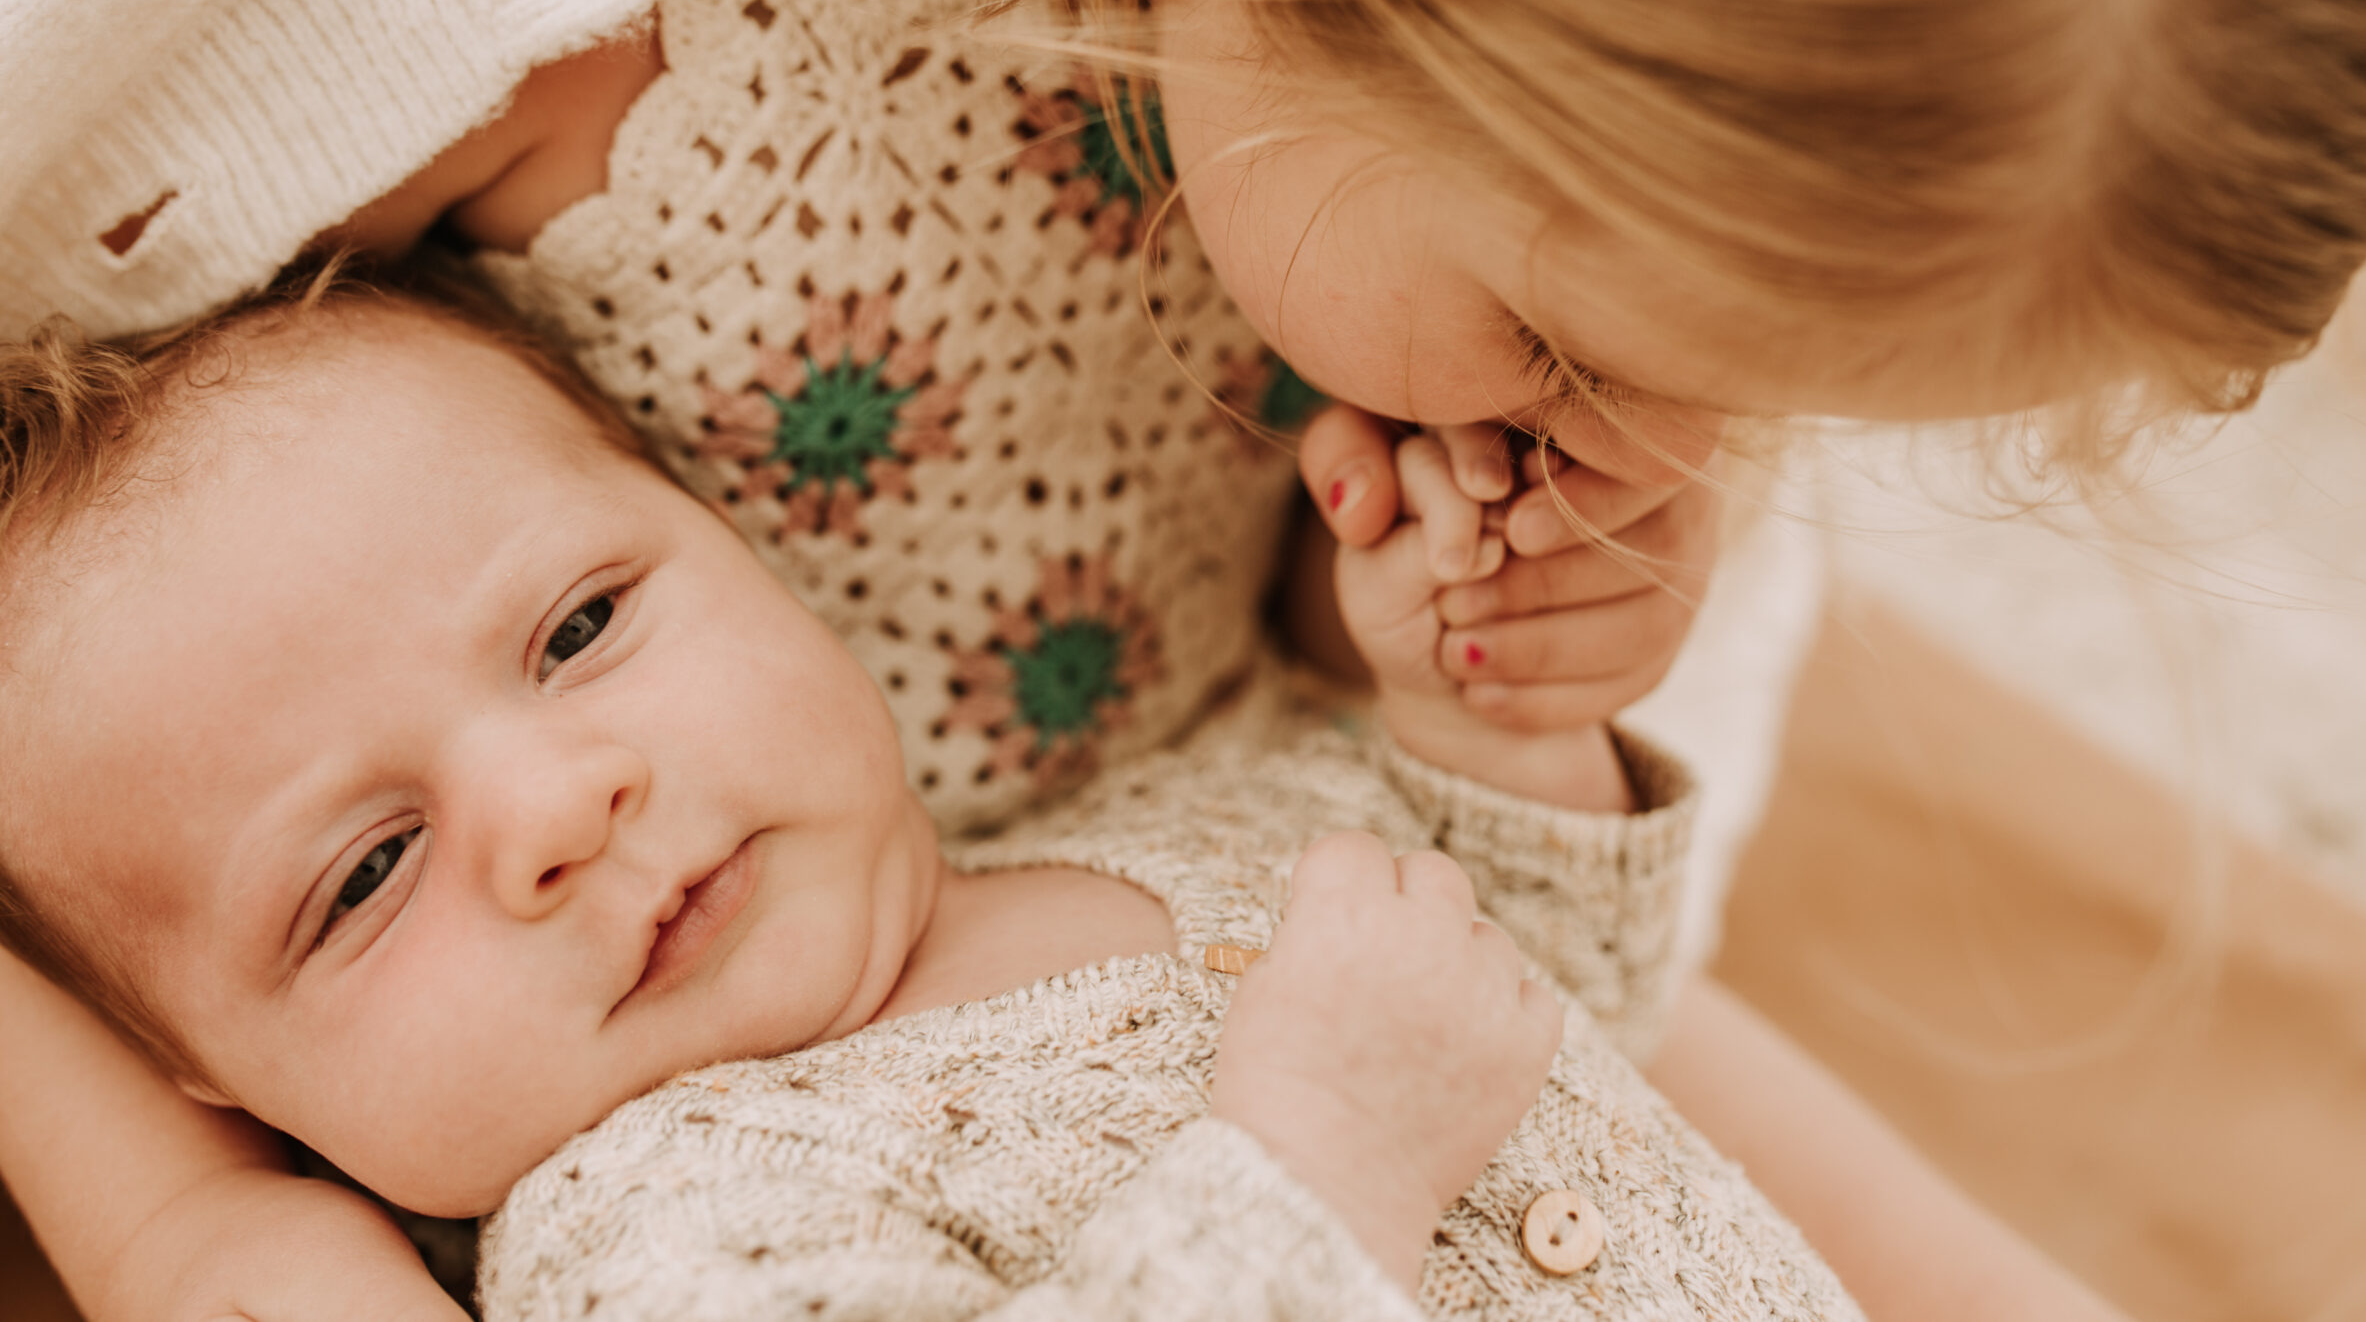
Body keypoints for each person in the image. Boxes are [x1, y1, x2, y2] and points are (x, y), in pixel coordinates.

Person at [0, 0, 2366, 1317]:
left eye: (1757, 406)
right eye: (1566, 339)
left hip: (1219, 853)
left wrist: (1483, 674)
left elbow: (1484, 917)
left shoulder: (1507, 153)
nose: (1632, 449)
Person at [0, 263, 1854, 1321]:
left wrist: (1495, 728)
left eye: (576, 630)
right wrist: (1321, 1169)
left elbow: (1543, 1010)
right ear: (220, 1082)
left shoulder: (1166, 811)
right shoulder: (654, 1233)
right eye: (367, 871)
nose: (559, 810)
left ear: (744, 545)